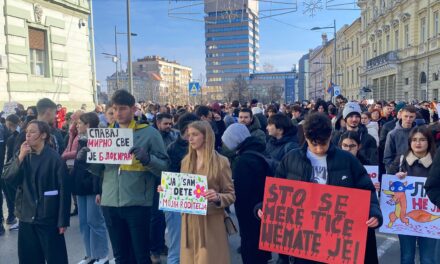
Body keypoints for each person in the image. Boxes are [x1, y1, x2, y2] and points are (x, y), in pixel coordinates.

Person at [260, 113, 382, 264]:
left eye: (323, 143)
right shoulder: (291, 159)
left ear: (330, 135)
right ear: (305, 136)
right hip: (302, 241)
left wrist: (374, 212)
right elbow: (276, 191)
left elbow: (366, 190)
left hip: (338, 243)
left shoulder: (347, 160)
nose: (318, 149)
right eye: (313, 143)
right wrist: (265, 207)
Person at [98, 90, 169, 264]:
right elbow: (99, 171)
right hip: (110, 202)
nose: (118, 113)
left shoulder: (149, 133)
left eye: (122, 109)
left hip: (137, 203)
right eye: (115, 109)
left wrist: (148, 159)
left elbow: (165, 168)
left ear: (133, 109)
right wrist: (87, 158)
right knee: (120, 256)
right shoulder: (105, 134)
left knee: (141, 256)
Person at [2, 120, 70, 264]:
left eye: (32, 132)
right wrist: (20, 157)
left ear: (43, 135)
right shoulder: (23, 155)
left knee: (55, 257)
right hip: (26, 215)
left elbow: (64, 191)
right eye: (27, 132)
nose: (28, 135)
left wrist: (63, 220)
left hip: (48, 216)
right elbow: (7, 177)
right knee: (28, 258)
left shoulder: (55, 159)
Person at [178, 121, 235, 264]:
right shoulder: (186, 161)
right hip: (189, 222)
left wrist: (217, 197)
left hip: (211, 222)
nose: (190, 139)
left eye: (195, 135)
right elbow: (182, 191)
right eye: (189, 135)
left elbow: (230, 194)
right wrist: (167, 191)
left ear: (206, 137)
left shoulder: (221, 162)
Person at [221, 123, 271, 264]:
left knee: (251, 251)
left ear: (235, 140)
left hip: (250, 213)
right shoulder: (258, 151)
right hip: (261, 209)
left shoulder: (244, 161)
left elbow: (242, 193)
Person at [388, 126, 437, 264]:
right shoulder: (401, 161)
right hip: (406, 218)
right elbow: (388, 183)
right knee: (406, 257)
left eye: (422, 139)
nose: (418, 143)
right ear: (409, 142)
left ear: (429, 142)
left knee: (428, 259)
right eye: (414, 140)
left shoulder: (437, 162)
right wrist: (395, 179)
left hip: (429, 218)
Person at [72, 112, 110, 264]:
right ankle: (90, 254)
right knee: (83, 222)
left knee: (95, 221)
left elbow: (100, 168)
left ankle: (102, 254)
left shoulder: (100, 140)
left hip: (93, 186)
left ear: (88, 125)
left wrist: (99, 190)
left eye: (80, 123)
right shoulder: (81, 140)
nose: (77, 125)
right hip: (81, 185)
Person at [164, 113, 199, 264]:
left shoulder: (203, 148)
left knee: (197, 243)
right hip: (176, 200)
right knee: (177, 243)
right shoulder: (173, 148)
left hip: (197, 199)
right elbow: (168, 174)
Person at [384, 105, 418, 173]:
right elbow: (388, 157)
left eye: (411, 117)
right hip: (398, 171)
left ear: (415, 117)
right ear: (401, 115)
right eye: (406, 116)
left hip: (416, 170)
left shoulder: (419, 132)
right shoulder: (392, 134)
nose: (408, 119)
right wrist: (391, 172)